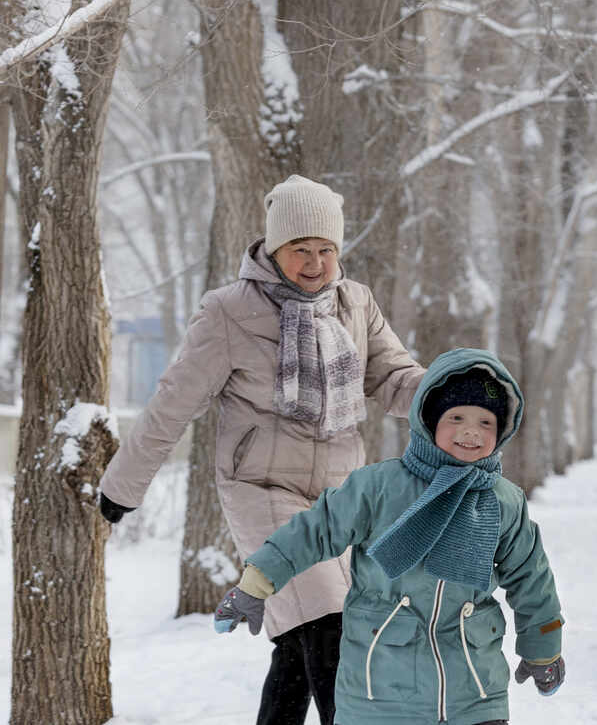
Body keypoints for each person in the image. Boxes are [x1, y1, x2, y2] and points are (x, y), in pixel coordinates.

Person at [98, 174, 426, 725]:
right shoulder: (229, 311)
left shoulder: (355, 303)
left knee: (298, 645)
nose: (316, 263)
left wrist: (450, 393)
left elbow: (394, 377)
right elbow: (173, 403)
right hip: (262, 492)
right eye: (302, 249)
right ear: (275, 248)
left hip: (339, 502)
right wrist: (122, 486)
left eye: (326, 249)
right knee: (328, 624)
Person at [214, 348, 565, 725]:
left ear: (502, 430)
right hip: (379, 691)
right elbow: (315, 530)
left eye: (485, 423)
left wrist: (543, 648)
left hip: (475, 691)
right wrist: (256, 582)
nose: (470, 432)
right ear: (429, 421)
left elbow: (533, 579)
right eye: (456, 417)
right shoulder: (379, 487)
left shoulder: (504, 501)